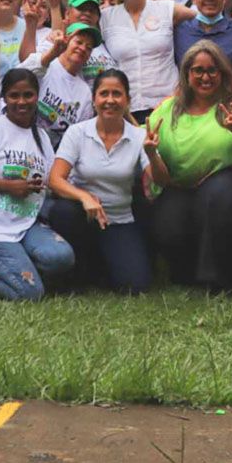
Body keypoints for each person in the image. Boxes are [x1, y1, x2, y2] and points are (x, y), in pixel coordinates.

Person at [0, 69, 74, 301]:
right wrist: (8, 187)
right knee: (31, 293)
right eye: (14, 95)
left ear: (37, 96)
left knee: (61, 257)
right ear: (4, 98)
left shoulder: (42, 136)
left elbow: (50, 181)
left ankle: (13, 267)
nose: (21, 102)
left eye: (28, 95)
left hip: (24, 225)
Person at [146, 41, 232, 289]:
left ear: (222, 72)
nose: (205, 77)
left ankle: (217, 276)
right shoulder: (169, 107)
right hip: (178, 184)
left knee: (217, 197)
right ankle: (184, 272)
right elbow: (145, 136)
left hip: (227, 180)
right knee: (167, 224)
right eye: (198, 71)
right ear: (187, 74)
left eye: (212, 70)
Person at [47, 69, 160, 294]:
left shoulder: (138, 136)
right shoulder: (77, 132)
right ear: (94, 99)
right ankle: (78, 270)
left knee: (135, 286)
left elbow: (161, 179)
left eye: (117, 94)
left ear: (127, 100)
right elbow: (55, 179)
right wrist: (84, 196)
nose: (110, 100)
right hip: (82, 215)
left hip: (119, 219)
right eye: (104, 94)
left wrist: (153, 153)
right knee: (63, 212)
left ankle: (99, 265)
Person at [98, 0, 196, 123]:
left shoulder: (166, 8)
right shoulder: (104, 18)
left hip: (168, 106)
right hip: (124, 111)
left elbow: (207, 16)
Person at [17, 23, 102, 146]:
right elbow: (15, 79)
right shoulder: (45, 63)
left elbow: (78, 138)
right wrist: (51, 54)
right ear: (66, 40)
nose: (83, 48)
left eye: (89, 47)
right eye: (78, 42)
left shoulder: (85, 94)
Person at [37, 0, 117, 85]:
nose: (87, 13)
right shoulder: (55, 41)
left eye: (92, 10)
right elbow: (30, 69)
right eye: (81, 8)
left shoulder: (106, 42)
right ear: (67, 13)